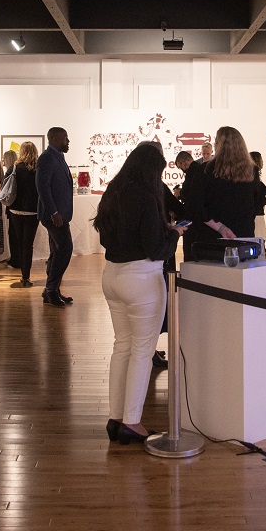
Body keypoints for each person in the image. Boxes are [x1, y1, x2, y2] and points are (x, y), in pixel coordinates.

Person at [93, 144, 184, 445]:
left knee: (122, 347)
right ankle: (132, 421)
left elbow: (106, 237)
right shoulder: (146, 197)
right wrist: (173, 233)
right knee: (142, 351)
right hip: (142, 279)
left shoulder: (113, 192)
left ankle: (116, 417)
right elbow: (156, 248)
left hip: (111, 276)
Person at [185, 126, 261, 247]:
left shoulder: (206, 170)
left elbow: (196, 206)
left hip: (212, 235)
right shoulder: (252, 171)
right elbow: (256, 203)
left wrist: (221, 228)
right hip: (243, 234)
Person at [36, 127, 75, 307]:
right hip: (54, 216)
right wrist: (53, 212)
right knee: (65, 249)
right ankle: (50, 290)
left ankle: (53, 289)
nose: (68, 141)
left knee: (57, 251)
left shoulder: (58, 156)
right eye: (65, 138)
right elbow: (42, 187)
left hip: (60, 214)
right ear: (53, 138)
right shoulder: (47, 158)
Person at [7, 142, 40, 288]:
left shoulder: (14, 167)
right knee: (28, 244)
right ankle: (26, 276)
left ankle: (23, 274)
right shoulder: (39, 168)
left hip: (16, 210)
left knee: (19, 242)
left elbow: (6, 186)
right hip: (33, 211)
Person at [250, 151, 266, 242]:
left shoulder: (251, 179)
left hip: (252, 215)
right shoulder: (255, 180)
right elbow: (259, 198)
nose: (263, 162)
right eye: (262, 160)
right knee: (259, 241)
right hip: (257, 215)